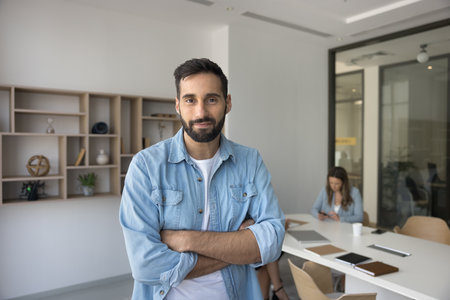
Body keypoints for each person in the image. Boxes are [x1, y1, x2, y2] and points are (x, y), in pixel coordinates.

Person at [119, 58, 285, 300]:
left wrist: (187, 239)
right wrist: (239, 247)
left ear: (227, 103)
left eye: (211, 99)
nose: (201, 112)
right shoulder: (145, 166)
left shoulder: (250, 161)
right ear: (177, 105)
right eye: (190, 100)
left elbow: (272, 242)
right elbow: (145, 265)